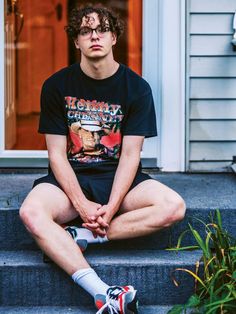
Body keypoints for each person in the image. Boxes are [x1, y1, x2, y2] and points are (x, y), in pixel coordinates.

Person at [19, 4, 186, 314]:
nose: (94, 36)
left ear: (113, 38)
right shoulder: (56, 85)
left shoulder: (136, 88)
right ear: (76, 41)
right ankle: (103, 293)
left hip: (119, 177)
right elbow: (56, 155)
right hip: (71, 176)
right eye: (85, 31)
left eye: (101, 30)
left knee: (173, 206)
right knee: (31, 212)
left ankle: (82, 236)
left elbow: (130, 156)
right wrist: (82, 204)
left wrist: (110, 208)